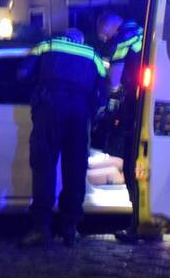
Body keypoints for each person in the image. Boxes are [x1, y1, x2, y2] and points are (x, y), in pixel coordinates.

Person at [20, 30, 107, 247]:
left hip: (50, 108)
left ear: (64, 37)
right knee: (76, 170)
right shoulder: (93, 55)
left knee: (44, 167)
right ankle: (70, 229)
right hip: (80, 113)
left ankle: (41, 228)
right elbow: (103, 93)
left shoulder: (46, 45)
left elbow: (21, 73)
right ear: (81, 40)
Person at [94, 12, 148, 242]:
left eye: (104, 36)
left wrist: (112, 96)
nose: (105, 41)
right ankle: (147, 222)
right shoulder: (141, 31)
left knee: (130, 165)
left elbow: (116, 74)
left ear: (109, 27)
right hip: (148, 102)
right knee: (145, 162)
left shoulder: (123, 37)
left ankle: (136, 225)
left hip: (135, 104)